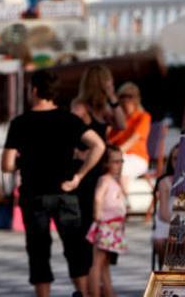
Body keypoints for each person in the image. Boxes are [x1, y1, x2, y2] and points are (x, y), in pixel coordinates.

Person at [1, 70, 105, 297]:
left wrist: (26, 159)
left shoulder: (20, 123)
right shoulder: (69, 119)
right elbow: (98, 145)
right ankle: (82, 293)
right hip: (65, 192)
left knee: (38, 250)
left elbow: (7, 165)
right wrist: (79, 175)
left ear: (35, 90)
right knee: (75, 248)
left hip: (34, 194)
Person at [71, 65, 126, 271]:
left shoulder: (104, 108)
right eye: (108, 80)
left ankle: (101, 268)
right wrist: (79, 152)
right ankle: (89, 270)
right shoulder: (80, 107)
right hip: (88, 169)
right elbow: (72, 136)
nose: (111, 84)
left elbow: (122, 124)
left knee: (107, 217)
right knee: (90, 220)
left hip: (103, 170)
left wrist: (113, 97)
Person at [86, 146, 127, 297]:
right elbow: (98, 197)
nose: (119, 164)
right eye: (115, 162)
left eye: (121, 161)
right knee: (98, 262)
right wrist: (97, 216)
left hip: (114, 225)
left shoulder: (115, 180)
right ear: (106, 163)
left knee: (105, 262)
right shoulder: (105, 179)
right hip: (106, 224)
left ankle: (109, 292)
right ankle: (95, 293)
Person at [107, 82, 151, 194]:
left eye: (130, 96)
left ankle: (124, 203)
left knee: (121, 167)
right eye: (122, 96)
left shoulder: (143, 117)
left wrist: (114, 154)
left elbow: (133, 140)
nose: (126, 99)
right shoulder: (116, 118)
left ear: (137, 99)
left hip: (137, 158)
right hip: (117, 155)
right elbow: (108, 139)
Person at [152, 145, 178, 270]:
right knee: (163, 242)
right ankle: (164, 272)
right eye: (174, 159)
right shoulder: (165, 181)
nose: (177, 162)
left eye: (181, 159)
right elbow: (163, 213)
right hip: (168, 222)